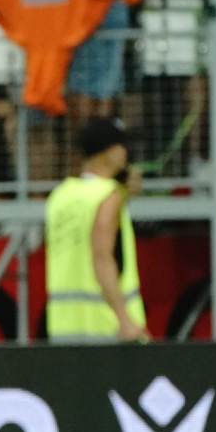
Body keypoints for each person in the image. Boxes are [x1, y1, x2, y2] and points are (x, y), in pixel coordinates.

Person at [44, 117, 150, 341]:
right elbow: (102, 258)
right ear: (108, 152)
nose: (126, 153)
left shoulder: (60, 196)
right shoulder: (107, 195)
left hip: (64, 327)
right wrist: (125, 320)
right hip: (106, 326)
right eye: (121, 146)